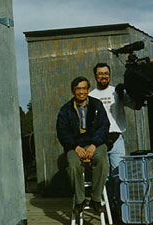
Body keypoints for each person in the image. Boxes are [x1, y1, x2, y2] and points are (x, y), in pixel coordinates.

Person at [89, 63, 138, 221]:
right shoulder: (91, 95)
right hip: (100, 140)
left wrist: (126, 93)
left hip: (116, 139)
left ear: (109, 75)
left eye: (106, 73)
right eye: (100, 73)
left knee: (119, 176)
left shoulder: (117, 92)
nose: (103, 76)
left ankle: (120, 213)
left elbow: (135, 105)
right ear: (95, 76)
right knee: (105, 178)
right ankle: (109, 211)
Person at [56, 76, 110, 215]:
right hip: (76, 145)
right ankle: (80, 201)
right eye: (78, 89)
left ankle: (95, 199)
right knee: (73, 166)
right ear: (73, 91)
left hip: (95, 143)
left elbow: (104, 126)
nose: (81, 92)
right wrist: (75, 147)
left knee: (103, 163)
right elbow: (62, 131)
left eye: (84, 88)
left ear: (88, 89)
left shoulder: (96, 105)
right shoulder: (65, 109)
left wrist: (94, 144)